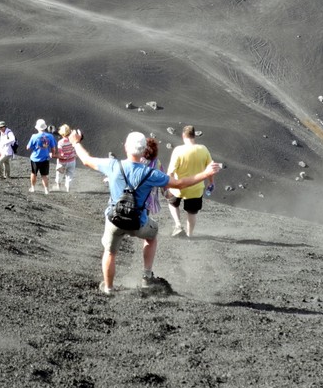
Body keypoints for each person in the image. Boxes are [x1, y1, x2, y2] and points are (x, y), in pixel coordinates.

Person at [68, 129, 221, 294]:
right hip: (138, 222)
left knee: (110, 252)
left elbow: (85, 160)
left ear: (126, 146)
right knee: (151, 235)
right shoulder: (150, 173)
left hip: (114, 220)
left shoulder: (112, 165)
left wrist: (76, 142)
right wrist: (205, 174)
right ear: (143, 151)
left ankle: (109, 288)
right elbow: (180, 184)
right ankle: (147, 276)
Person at [167, 125, 213, 237]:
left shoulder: (178, 150)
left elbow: (171, 172)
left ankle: (178, 225)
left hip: (178, 187)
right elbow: (210, 168)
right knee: (191, 213)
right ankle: (189, 235)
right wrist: (211, 182)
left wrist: (169, 185)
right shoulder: (203, 149)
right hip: (196, 188)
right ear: (194, 136)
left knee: (172, 203)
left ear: (183, 136)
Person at [26, 119, 57, 194]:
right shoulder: (50, 136)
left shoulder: (34, 136)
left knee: (34, 173)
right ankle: (46, 189)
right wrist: (53, 154)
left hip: (35, 158)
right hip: (45, 158)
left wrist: (34, 148)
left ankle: (33, 188)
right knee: (44, 175)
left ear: (37, 127)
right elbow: (53, 147)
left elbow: (28, 147)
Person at [54, 124, 77, 192]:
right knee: (70, 175)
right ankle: (68, 188)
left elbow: (61, 152)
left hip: (62, 161)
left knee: (59, 174)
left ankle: (58, 186)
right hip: (72, 160)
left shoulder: (61, 142)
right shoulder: (73, 140)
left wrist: (55, 155)